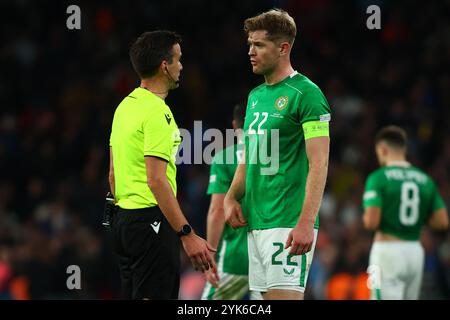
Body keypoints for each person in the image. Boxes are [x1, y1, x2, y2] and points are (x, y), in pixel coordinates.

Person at [224, 9, 331, 300]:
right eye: (249, 44)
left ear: (283, 48)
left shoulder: (305, 94)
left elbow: (319, 162)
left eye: (258, 45)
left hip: (287, 222)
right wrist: (232, 195)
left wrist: (306, 222)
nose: (250, 51)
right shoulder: (255, 96)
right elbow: (250, 155)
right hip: (256, 222)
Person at [108, 30, 216, 299]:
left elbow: (113, 174)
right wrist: (187, 234)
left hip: (122, 221)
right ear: (164, 66)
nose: (181, 66)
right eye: (178, 59)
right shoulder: (158, 112)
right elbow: (156, 180)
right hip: (150, 222)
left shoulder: (124, 107)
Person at [362, 126, 449, 300]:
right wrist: (418, 219)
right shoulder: (425, 180)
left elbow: (371, 222)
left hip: (387, 251)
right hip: (415, 251)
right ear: (404, 149)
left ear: (383, 149)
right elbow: (442, 221)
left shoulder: (378, 178)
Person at [201, 104, 261, 300]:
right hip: (269, 253)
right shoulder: (276, 156)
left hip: (236, 256)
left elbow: (217, 210)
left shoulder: (224, 158)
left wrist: (209, 256)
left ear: (235, 125)